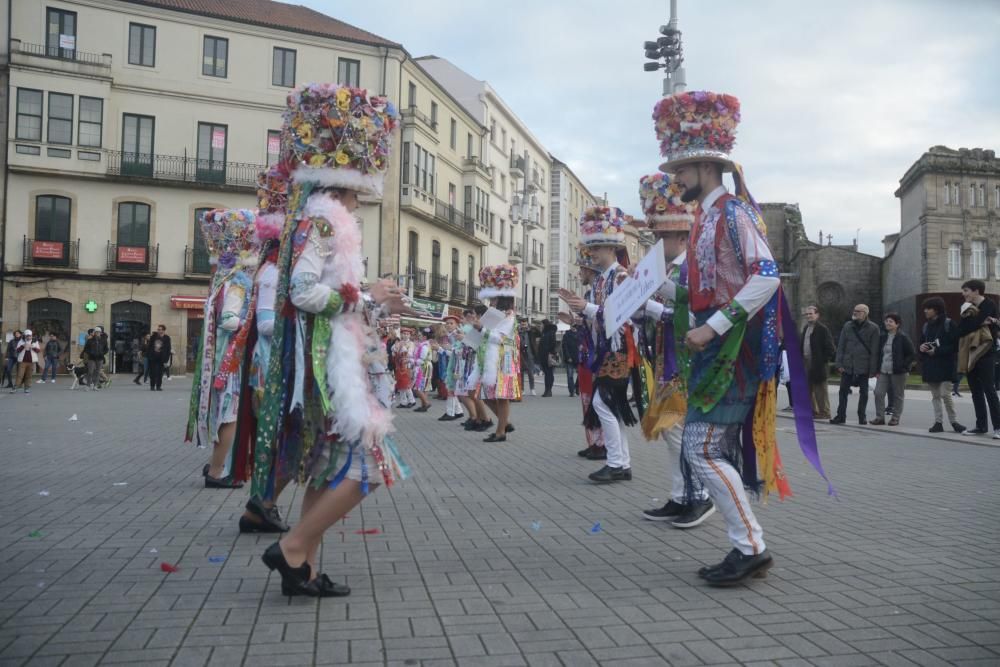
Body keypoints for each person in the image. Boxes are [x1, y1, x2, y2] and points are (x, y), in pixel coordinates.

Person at [653, 89, 830, 585]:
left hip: (735, 350)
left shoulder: (732, 213)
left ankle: (750, 546)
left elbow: (768, 275)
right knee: (707, 447)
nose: (677, 179)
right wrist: (651, 287)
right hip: (717, 349)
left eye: (682, 170)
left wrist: (714, 325)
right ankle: (747, 545)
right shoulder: (705, 219)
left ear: (707, 166)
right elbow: (699, 290)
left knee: (702, 448)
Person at [255, 83, 408, 598]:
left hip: (332, 359)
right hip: (328, 366)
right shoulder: (324, 220)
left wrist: (367, 303)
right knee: (368, 467)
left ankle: (305, 569)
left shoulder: (322, 217)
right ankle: (293, 548)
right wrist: (366, 300)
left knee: (322, 468)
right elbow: (301, 290)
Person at [633, 173, 714, 528]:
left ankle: (701, 496)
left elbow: (698, 312)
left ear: (682, 236)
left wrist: (654, 299)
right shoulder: (670, 270)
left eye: (661, 235)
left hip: (689, 363)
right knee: (670, 431)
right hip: (669, 362)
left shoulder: (693, 270)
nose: (655, 241)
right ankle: (681, 496)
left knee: (684, 431)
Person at [560, 206, 646, 483]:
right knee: (608, 405)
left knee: (604, 403)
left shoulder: (620, 276)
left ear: (610, 246)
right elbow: (597, 318)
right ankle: (620, 462)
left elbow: (623, 317)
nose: (592, 254)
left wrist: (585, 307)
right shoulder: (600, 280)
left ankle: (618, 462)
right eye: (591, 248)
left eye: (596, 248)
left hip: (620, 348)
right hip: (605, 350)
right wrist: (577, 314)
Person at [185, 208, 261, 489]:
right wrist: (248, 321)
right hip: (231, 360)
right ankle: (217, 471)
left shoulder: (222, 280)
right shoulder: (238, 283)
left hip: (222, 358)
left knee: (226, 414)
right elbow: (229, 320)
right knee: (230, 415)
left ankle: (219, 464)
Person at [561, 247, 606, 460]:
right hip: (587, 353)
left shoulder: (599, 292)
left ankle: (601, 444)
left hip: (597, 355)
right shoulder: (591, 293)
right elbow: (590, 323)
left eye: (582, 269)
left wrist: (583, 314)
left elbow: (603, 320)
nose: (580, 273)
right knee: (587, 398)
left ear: (590, 269)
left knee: (597, 399)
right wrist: (574, 321)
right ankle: (593, 440)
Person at [475, 265, 521, 442]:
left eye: (493, 298)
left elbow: (500, 339)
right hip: (491, 359)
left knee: (501, 396)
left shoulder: (509, 316)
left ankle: (501, 431)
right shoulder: (494, 314)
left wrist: (482, 330)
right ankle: (505, 423)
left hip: (504, 359)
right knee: (487, 395)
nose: (491, 302)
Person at [956, 280, 1000, 437]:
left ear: (976, 291)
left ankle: (998, 427)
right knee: (975, 390)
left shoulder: (989, 304)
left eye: (966, 290)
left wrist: (980, 322)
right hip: (970, 352)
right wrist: (980, 322)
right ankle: (981, 426)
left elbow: (975, 324)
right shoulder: (966, 307)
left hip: (986, 351)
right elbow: (961, 329)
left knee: (989, 389)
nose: (963, 294)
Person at [919, 296, 965, 433]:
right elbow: (921, 342)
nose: (925, 311)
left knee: (945, 394)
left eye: (928, 308)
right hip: (930, 365)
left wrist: (937, 351)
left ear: (937, 310)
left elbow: (956, 345)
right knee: (935, 396)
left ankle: (954, 421)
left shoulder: (949, 323)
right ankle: (938, 422)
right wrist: (921, 348)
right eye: (925, 309)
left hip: (946, 365)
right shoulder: (926, 325)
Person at [831, 304, 880, 425]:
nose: (855, 313)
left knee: (864, 393)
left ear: (865, 313)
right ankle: (840, 415)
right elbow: (841, 346)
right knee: (843, 391)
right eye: (854, 311)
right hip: (848, 365)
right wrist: (839, 363)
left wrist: (873, 370)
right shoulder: (848, 326)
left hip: (864, 365)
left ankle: (861, 416)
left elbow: (875, 351)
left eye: (858, 311)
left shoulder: (873, 328)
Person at [871, 313, 915, 426]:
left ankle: (895, 418)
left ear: (897, 324)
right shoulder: (883, 337)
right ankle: (880, 417)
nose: (887, 323)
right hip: (883, 371)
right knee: (878, 393)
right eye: (886, 321)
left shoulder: (903, 337)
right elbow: (879, 354)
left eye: (891, 321)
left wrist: (904, 366)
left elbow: (912, 354)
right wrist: (876, 369)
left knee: (898, 395)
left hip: (898, 372)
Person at [801, 306, 836, 420]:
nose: (808, 316)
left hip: (818, 364)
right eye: (807, 314)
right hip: (806, 362)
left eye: (811, 314)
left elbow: (830, 348)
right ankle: (813, 411)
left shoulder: (822, 329)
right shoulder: (806, 327)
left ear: (817, 315)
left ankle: (825, 412)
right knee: (808, 389)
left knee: (820, 389)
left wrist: (822, 360)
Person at [410, 327, 434, 412]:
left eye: (420, 335)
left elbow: (422, 360)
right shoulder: (424, 345)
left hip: (424, 367)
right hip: (425, 366)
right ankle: (423, 405)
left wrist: (411, 360)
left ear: (424, 337)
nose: (418, 337)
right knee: (424, 387)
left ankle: (426, 403)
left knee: (417, 387)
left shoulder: (424, 346)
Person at [393, 328, 416, 407]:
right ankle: (403, 402)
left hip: (407, 365)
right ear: (401, 334)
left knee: (406, 384)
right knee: (400, 384)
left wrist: (401, 348)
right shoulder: (399, 342)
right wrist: (396, 348)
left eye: (407, 334)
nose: (405, 335)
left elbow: (409, 354)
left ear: (409, 335)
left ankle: (412, 400)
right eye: (404, 333)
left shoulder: (411, 343)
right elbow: (393, 350)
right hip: (399, 365)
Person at [13, 329, 41, 393]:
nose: (29, 337)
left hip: (31, 362)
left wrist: (33, 347)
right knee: (20, 375)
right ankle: (15, 387)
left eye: (30, 336)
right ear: (25, 336)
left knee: (29, 375)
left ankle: (27, 388)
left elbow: (38, 350)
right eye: (27, 336)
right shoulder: (21, 341)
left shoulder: (35, 341)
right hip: (22, 361)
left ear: (31, 336)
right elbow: (17, 350)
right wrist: (23, 346)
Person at [82, 326, 108, 392]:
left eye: (99, 332)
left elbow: (106, 349)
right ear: (94, 332)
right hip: (91, 358)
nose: (97, 333)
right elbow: (86, 349)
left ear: (100, 333)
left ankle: (95, 386)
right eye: (96, 332)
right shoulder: (90, 340)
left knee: (98, 372)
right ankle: (88, 386)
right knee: (90, 372)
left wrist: (102, 353)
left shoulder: (103, 340)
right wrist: (90, 353)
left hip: (100, 358)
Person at [537, 320, 558, 397]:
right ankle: (547, 390)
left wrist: (548, 352)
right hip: (545, 356)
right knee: (548, 373)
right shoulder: (545, 333)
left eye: (541, 324)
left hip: (548, 356)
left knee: (549, 373)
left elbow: (552, 344)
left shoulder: (550, 333)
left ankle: (548, 390)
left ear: (545, 325)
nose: (540, 326)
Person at [518, 320, 537, 397]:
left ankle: (532, 389)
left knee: (530, 373)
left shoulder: (530, 332)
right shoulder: (518, 332)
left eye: (525, 324)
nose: (523, 326)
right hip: (521, 355)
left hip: (529, 355)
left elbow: (539, 333)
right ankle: (522, 389)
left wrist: (532, 327)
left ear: (527, 324)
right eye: (522, 324)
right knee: (521, 373)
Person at [561, 325, 579, 397]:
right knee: (570, 375)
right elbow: (565, 347)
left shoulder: (580, 334)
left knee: (580, 375)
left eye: (575, 326)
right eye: (572, 326)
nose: (574, 327)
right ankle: (571, 391)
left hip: (579, 358)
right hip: (570, 358)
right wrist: (568, 356)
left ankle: (577, 387)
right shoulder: (567, 335)